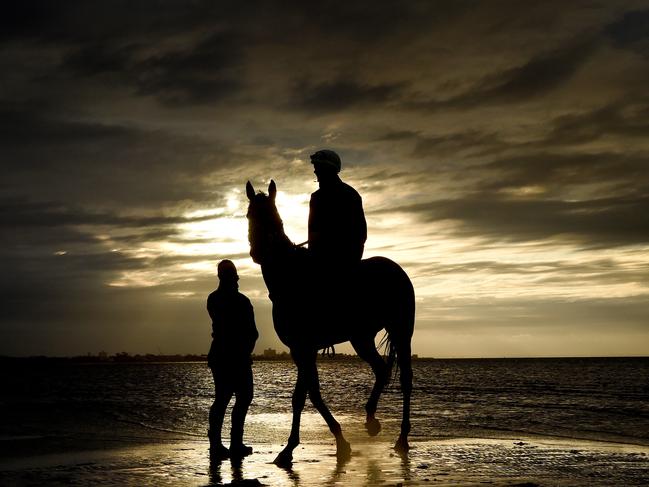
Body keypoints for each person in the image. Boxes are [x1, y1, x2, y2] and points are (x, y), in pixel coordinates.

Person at [207, 259, 258, 459]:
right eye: (234, 276)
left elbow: (251, 333)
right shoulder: (241, 301)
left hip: (221, 355)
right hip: (234, 357)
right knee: (239, 398)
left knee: (224, 400)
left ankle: (221, 444)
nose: (236, 280)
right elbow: (252, 333)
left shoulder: (213, 299)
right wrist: (245, 350)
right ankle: (230, 444)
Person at [308, 149, 367, 266]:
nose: (315, 171)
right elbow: (312, 234)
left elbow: (360, 233)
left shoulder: (350, 195)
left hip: (346, 258)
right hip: (320, 257)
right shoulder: (316, 197)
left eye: (318, 167)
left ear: (328, 169)